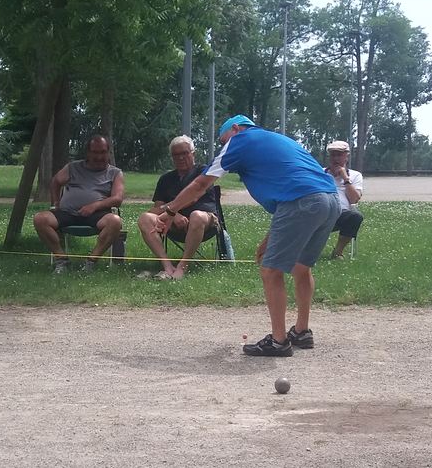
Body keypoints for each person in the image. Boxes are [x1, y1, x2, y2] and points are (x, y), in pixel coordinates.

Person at [157, 115, 338, 357]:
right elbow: (294, 186)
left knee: (270, 271)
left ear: (235, 129)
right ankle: (302, 332)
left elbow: (201, 184)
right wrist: (269, 238)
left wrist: (170, 210)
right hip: (330, 200)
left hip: (302, 202)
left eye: (223, 140)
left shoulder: (241, 140)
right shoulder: (278, 139)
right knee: (300, 267)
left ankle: (278, 341)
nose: (224, 147)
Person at [33, 135, 125, 274]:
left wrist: (94, 206)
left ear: (108, 152)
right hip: (67, 213)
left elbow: (117, 199)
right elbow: (55, 182)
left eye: (103, 152)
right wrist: (55, 204)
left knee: (115, 222)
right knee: (40, 219)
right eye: (95, 152)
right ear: (88, 153)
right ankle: (61, 260)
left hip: (97, 215)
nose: (99, 156)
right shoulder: (73, 167)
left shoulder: (115, 173)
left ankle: (91, 262)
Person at [135, 135, 219, 279]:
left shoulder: (204, 172)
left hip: (205, 221)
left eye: (184, 153)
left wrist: (170, 211)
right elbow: (156, 209)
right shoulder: (165, 179)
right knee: (145, 218)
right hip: (172, 224)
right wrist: (173, 215)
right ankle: (167, 266)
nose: (180, 158)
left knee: (196, 216)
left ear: (193, 153)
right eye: (176, 155)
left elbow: (193, 197)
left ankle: (182, 267)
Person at [324, 140, 364, 259]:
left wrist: (345, 178)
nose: (335, 158)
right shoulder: (320, 173)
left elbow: (354, 200)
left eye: (339, 155)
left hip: (341, 215)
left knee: (356, 217)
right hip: (320, 213)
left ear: (346, 157)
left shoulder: (355, 175)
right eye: (333, 155)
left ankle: (338, 251)